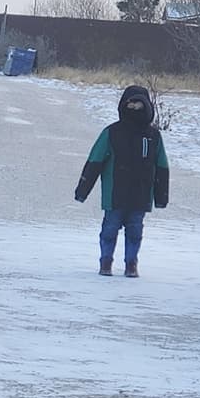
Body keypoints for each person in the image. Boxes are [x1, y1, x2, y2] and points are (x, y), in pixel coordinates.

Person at [74, 85, 169, 277]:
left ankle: (131, 263)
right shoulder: (112, 133)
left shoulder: (153, 137)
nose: (134, 109)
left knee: (135, 232)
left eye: (139, 106)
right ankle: (106, 262)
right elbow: (95, 161)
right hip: (114, 193)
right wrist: (82, 190)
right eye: (131, 105)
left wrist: (161, 197)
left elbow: (162, 168)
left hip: (140, 195)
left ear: (147, 107)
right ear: (123, 106)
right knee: (109, 229)